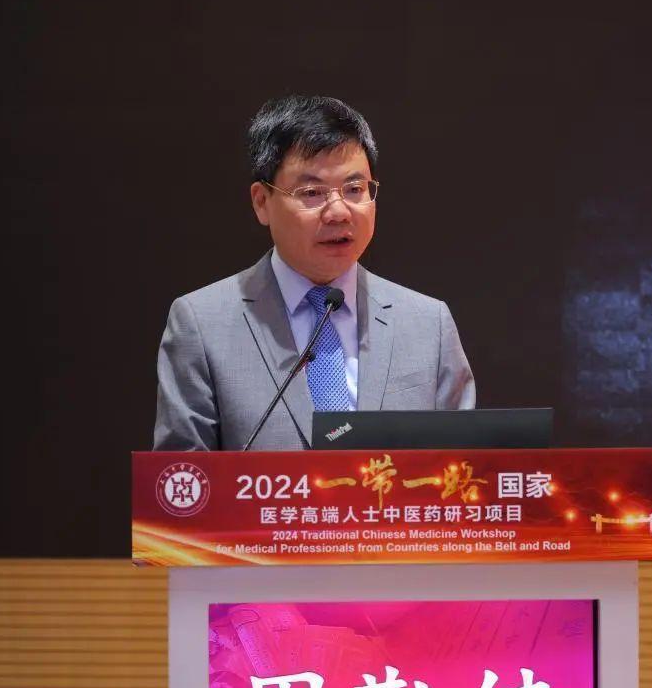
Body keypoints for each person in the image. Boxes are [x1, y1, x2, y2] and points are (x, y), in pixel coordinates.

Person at [153, 95, 475, 451]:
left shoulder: (428, 324)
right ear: (262, 202)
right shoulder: (202, 324)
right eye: (312, 192)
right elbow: (182, 477)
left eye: (355, 189)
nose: (339, 211)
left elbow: (465, 469)